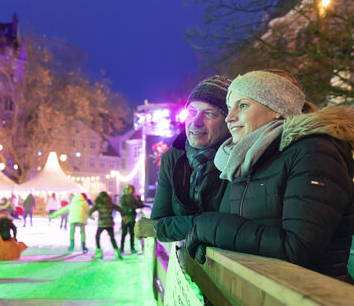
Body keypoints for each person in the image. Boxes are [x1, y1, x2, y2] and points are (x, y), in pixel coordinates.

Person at [183, 70, 354, 281]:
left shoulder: (315, 152)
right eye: (229, 108)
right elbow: (244, 233)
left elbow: (297, 248)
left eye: (242, 105)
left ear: (276, 109)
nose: (230, 117)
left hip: (308, 296)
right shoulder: (246, 160)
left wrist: (209, 228)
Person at [135, 75, 232, 242]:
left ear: (229, 121)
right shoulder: (172, 156)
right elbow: (158, 220)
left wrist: (169, 227)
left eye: (209, 113)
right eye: (192, 112)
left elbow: (225, 227)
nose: (195, 122)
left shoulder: (239, 157)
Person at [88, 191, 123, 260]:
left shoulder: (98, 204)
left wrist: (90, 216)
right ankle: (117, 253)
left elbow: (90, 211)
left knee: (97, 236)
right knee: (112, 238)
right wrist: (124, 215)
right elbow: (119, 209)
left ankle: (99, 252)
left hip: (102, 223)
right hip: (110, 223)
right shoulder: (110, 203)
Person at [119, 185, 145, 254]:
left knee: (132, 234)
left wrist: (144, 205)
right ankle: (121, 248)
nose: (130, 190)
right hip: (125, 217)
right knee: (124, 233)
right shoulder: (123, 197)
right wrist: (130, 209)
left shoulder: (134, 197)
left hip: (132, 217)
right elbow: (123, 206)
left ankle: (132, 248)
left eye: (131, 189)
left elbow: (139, 204)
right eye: (128, 189)